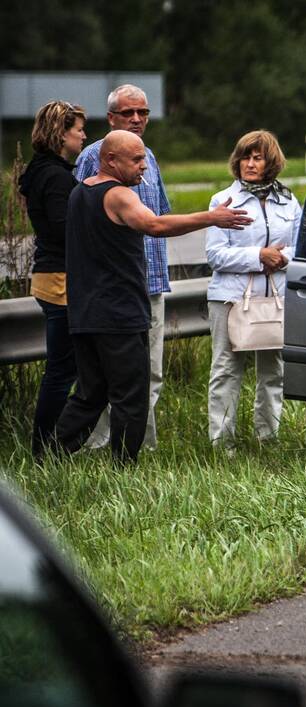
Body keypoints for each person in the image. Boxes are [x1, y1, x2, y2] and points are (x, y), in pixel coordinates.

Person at [52, 130, 252, 463]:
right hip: (118, 313)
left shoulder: (79, 192)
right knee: (131, 395)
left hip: (86, 312)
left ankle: (53, 455)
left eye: (143, 158)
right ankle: (124, 467)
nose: (144, 167)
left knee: (91, 393)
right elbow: (154, 225)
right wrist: (211, 218)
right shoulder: (117, 195)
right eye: (136, 159)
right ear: (111, 159)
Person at [74, 84, 170, 451]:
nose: (136, 119)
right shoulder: (94, 156)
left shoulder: (149, 156)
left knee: (151, 371)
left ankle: (142, 445)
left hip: (151, 281)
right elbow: (82, 219)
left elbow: (161, 214)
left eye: (142, 112)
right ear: (111, 117)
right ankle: (98, 445)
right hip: (112, 288)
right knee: (109, 378)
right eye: (128, 113)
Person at [205, 130, 301, 448]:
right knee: (227, 369)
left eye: (257, 157)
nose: (249, 163)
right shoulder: (224, 201)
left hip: (274, 297)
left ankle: (268, 437)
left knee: (273, 370)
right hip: (230, 298)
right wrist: (258, 256)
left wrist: (281, 257)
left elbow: (300, 249)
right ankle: (222, 442)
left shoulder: (287, 201)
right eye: (245, 156)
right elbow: (215, 255)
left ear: (270, 162)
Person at [18, 101, 87, 457]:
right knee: (62, 371)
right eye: (78, 131)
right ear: (62, 133)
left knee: (65, 368)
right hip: (60, 278)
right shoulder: (57, 176)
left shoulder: (42, 170)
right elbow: (65, 230)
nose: (84, 137)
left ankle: (54, 445)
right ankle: (46, 450)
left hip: (49, 275)